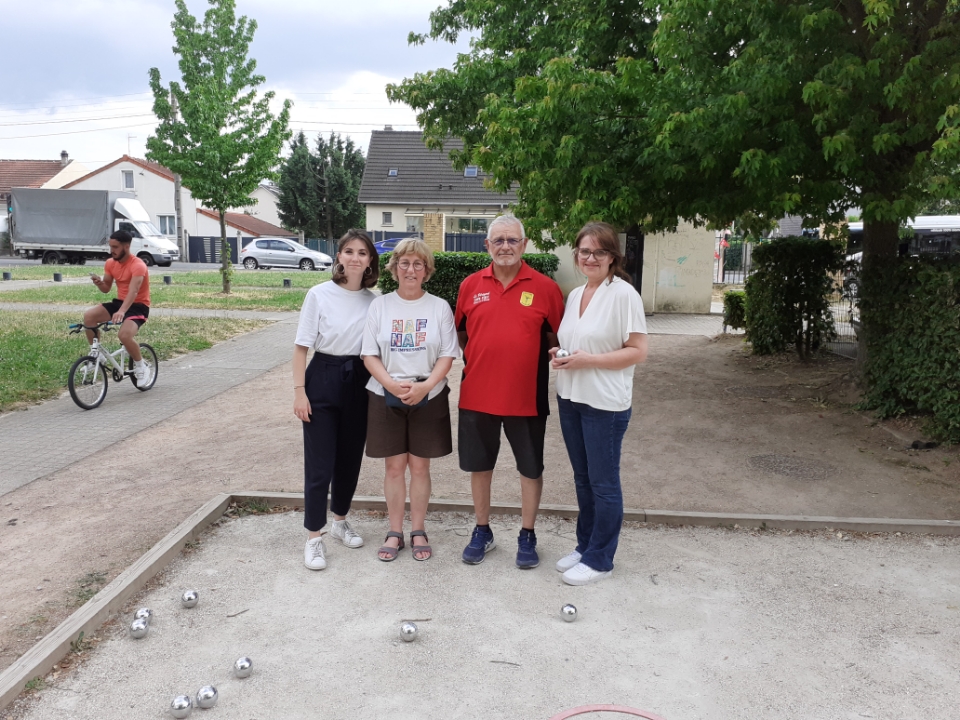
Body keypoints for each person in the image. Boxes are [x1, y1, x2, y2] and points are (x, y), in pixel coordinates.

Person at [455, 214, 565, 568]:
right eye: (498, 240)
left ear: (524, 244)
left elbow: (555, 339)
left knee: (531, 469)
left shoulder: (546, 288)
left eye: (512, 240)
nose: (505, 246)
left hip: (526, 398)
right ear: (486, 245)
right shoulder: (470, 285)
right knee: (480, 467)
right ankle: (482, 530)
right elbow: (462, 334)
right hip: (477, 396)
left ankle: (527, 534)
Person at [551, 221, 648, 585]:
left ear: (613, 257)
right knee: (582, 478)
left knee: (604, 483)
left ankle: (600, 559)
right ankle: (585, 545)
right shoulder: (576, 295)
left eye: (599, 251)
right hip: (571, 396)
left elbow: (638, 352)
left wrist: (586, 360)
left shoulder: (624, 295)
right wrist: (560, 355)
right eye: (584, 251)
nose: (590, 257)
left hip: (604, 404)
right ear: (576, 254)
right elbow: (577, 344)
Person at [361, 239, 458, 562]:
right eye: (404, 263)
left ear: (427, 270)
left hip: (427, 394)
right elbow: (369, 353)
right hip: (384, 392)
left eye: (418, 264)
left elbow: (448, 354)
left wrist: (426, 386)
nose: (411, 270)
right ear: (394, 268)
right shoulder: (380, 306)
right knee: (393, 467)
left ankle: (418, 529)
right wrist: (390, 383)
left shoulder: (439, 307)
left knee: (419, 466)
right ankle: (394, 531)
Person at [292, 229, 379, 570]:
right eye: (349, 251)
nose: (355, 258)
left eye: (362, 252)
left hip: (359, 378)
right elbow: (301, 347)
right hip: (323, 376)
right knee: (320, 463)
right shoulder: (319, 295)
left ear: (370, 260)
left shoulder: (375, 302)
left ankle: (340, 519)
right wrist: (300, 391)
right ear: (339, 257)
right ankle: (314, 536)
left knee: (349, 458)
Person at [84, 230, 152, 384]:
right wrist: (99, 283)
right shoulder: (110, 263)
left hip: (138, 306)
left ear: (126, 247)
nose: (111, 250)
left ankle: (141, 366)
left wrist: (122, 311)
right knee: (89, 317)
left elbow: (133, 292)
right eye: (110, 246)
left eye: (115, 247)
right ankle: (96, 356)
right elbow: (106, 289)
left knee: (124, 335)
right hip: (120, 302)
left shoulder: (138, 265)